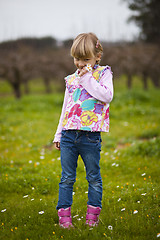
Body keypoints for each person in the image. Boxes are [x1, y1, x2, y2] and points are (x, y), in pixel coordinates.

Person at [53, 32, 113, 229]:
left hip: (90, 136)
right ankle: (64, 219)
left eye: (85, 59)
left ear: (98, 56)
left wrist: (88, 78)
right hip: (69, 135)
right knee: (66, 178)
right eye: (77, 59)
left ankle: (92, 219)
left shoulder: (103, 74)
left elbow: (106, 96)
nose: (80, 63)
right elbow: (66, 108)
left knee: (93, 177)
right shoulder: (70, 79)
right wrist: (59, 133)